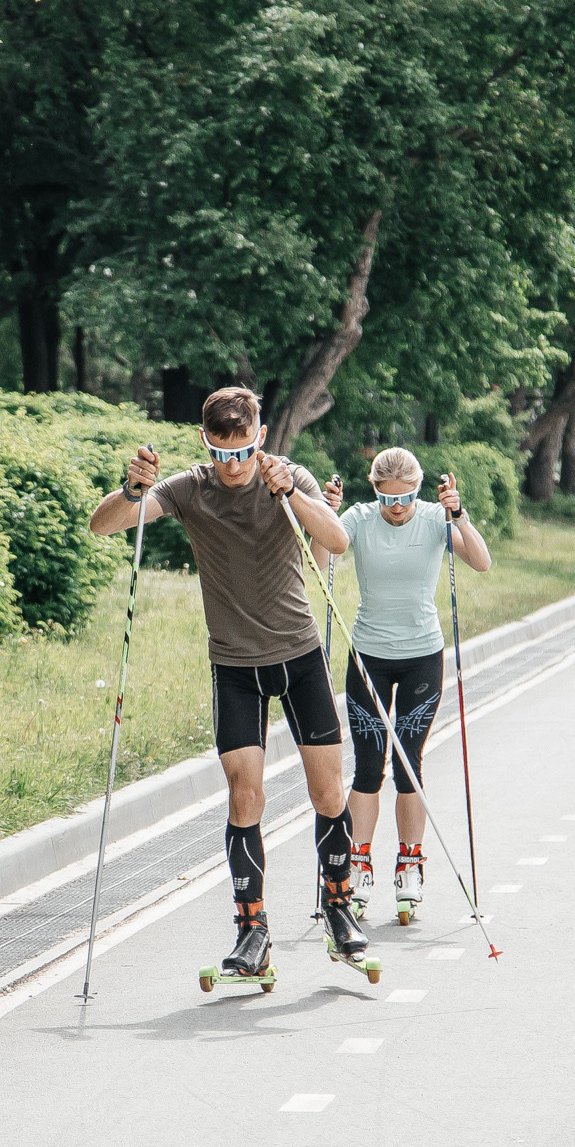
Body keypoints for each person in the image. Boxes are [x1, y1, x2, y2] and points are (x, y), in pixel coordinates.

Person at [89, 387, 355, 983]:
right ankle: (252, 930)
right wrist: (131, 490)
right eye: (220, 454)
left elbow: (336, 542)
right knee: (244, 795)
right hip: (234, 665)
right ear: (205, 445)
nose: (232, 467)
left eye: (243, 452)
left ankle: (339, 906)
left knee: (327, 791)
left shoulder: (288, 477)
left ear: (260, 437)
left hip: (300, 655)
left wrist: (291, 492)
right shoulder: (189, 488)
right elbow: (103, 525)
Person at [321, 448, 491, 920]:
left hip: (421, 657)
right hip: (368, 655)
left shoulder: (438, 518)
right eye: (386, 497)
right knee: (368, 766)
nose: (396, 507)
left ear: (420, 491)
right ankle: (358, 867)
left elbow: (481, 561)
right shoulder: (358, 517)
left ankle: (409, 866)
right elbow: (321, 560)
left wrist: (461, 516)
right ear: (374, 489)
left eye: (407, 497)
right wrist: (325, 517)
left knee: (407, 764)